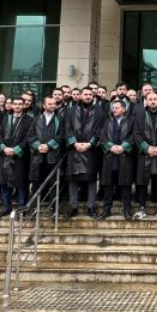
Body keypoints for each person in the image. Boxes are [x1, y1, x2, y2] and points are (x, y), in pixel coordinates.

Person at [64, 86, 105, 219]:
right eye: (85, 94)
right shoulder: (70, 110)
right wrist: (75, 143)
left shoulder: (99, 110)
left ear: (93, 97)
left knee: (91, 179)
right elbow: (67, 128)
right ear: (80, 96)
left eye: (90, 95)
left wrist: (89, 144)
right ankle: (73, 207)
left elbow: (100, 129)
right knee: (73, 180)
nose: (88, 97)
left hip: (91, 150)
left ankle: (90, 207)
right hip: (74, 149)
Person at [133, 91, 157, 220]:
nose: (153, 101)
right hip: (145, 154)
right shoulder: (139, 115)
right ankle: (141, 208)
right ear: (146, 101)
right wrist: (147, 148)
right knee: (142, 182)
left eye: (155, 99)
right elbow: (136, 133)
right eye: (150, 99)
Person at [0, 97, 34, 217]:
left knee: (21, 184)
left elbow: (28, 137)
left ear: (24, 106)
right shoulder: (6, 118)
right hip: (5, 155)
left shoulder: (29, 119)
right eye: (15, 104)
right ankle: (6, 207)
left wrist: (16, 149)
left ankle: (22, 208)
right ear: (12, 105)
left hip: (20, 156)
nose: (17, 106)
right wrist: (4, 148)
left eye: (20, 104)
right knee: (4, 183)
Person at [98, 99, 136, 220]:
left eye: (117, 108)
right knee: (108, 186)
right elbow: (102, 137)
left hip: (125, 157)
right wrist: (111, 147)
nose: (114, 110)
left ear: (124, 109)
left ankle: (127, 210)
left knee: (126, 186)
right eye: (113, 108)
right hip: (110, 157)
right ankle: (106, 210)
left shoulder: (131, 121)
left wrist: (123, 147)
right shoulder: (107, 121)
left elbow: (134, 136)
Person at [26, 95, 64, 201]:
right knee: (36, 181)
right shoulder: (36, 119)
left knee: (52, 182)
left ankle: (52, 206)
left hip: (53, 156)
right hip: (37, 156)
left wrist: (48, 145)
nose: (52, 106)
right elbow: (30, 135)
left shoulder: (60, 120)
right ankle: (34, 205)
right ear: (44, 105)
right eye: (50, 104)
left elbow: (61, 136)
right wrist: (38, 146)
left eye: (54, 104)